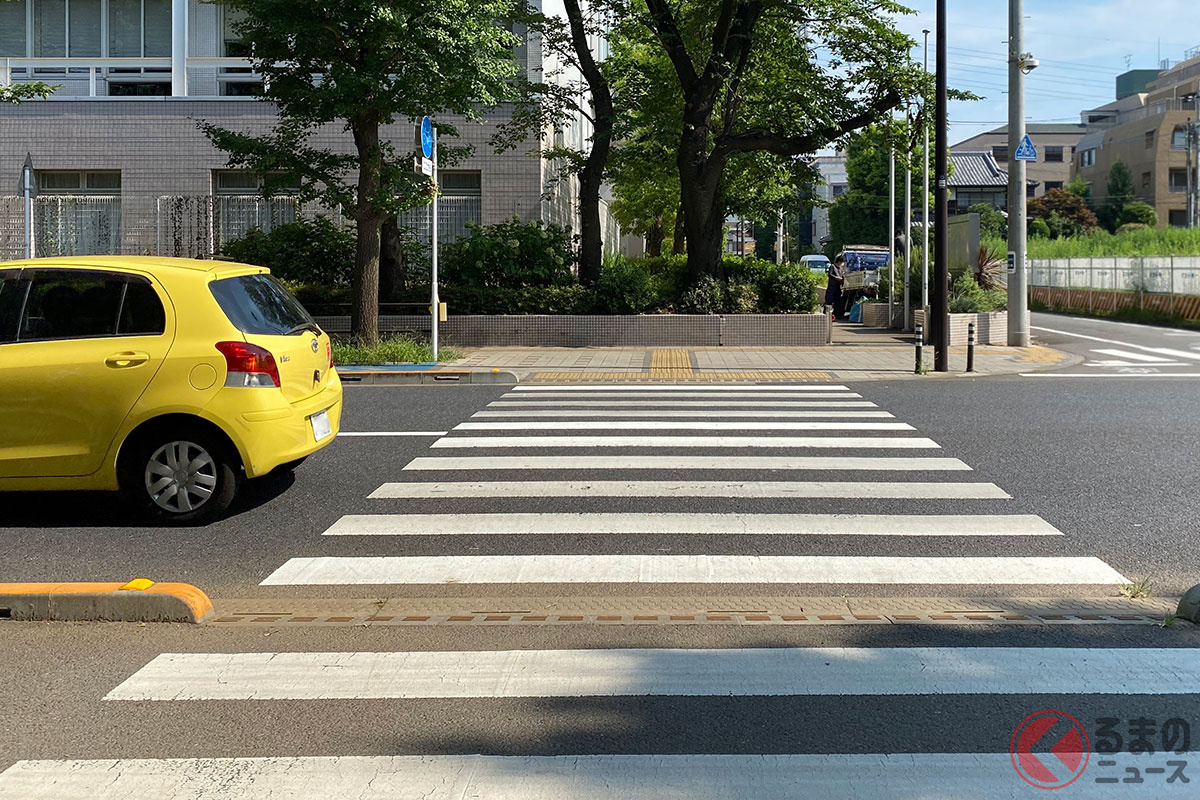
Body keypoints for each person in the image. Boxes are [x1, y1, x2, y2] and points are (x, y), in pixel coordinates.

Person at [825, 254, 847, 320]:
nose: (842, 264)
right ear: (839, 262)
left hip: (838, 287)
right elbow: (829, 274)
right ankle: (827, 314)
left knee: (838, 301)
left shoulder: (840, 269)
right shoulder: (832, 267)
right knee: (829, 301)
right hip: (832, 287)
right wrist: (836, 278)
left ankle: (837, 314)